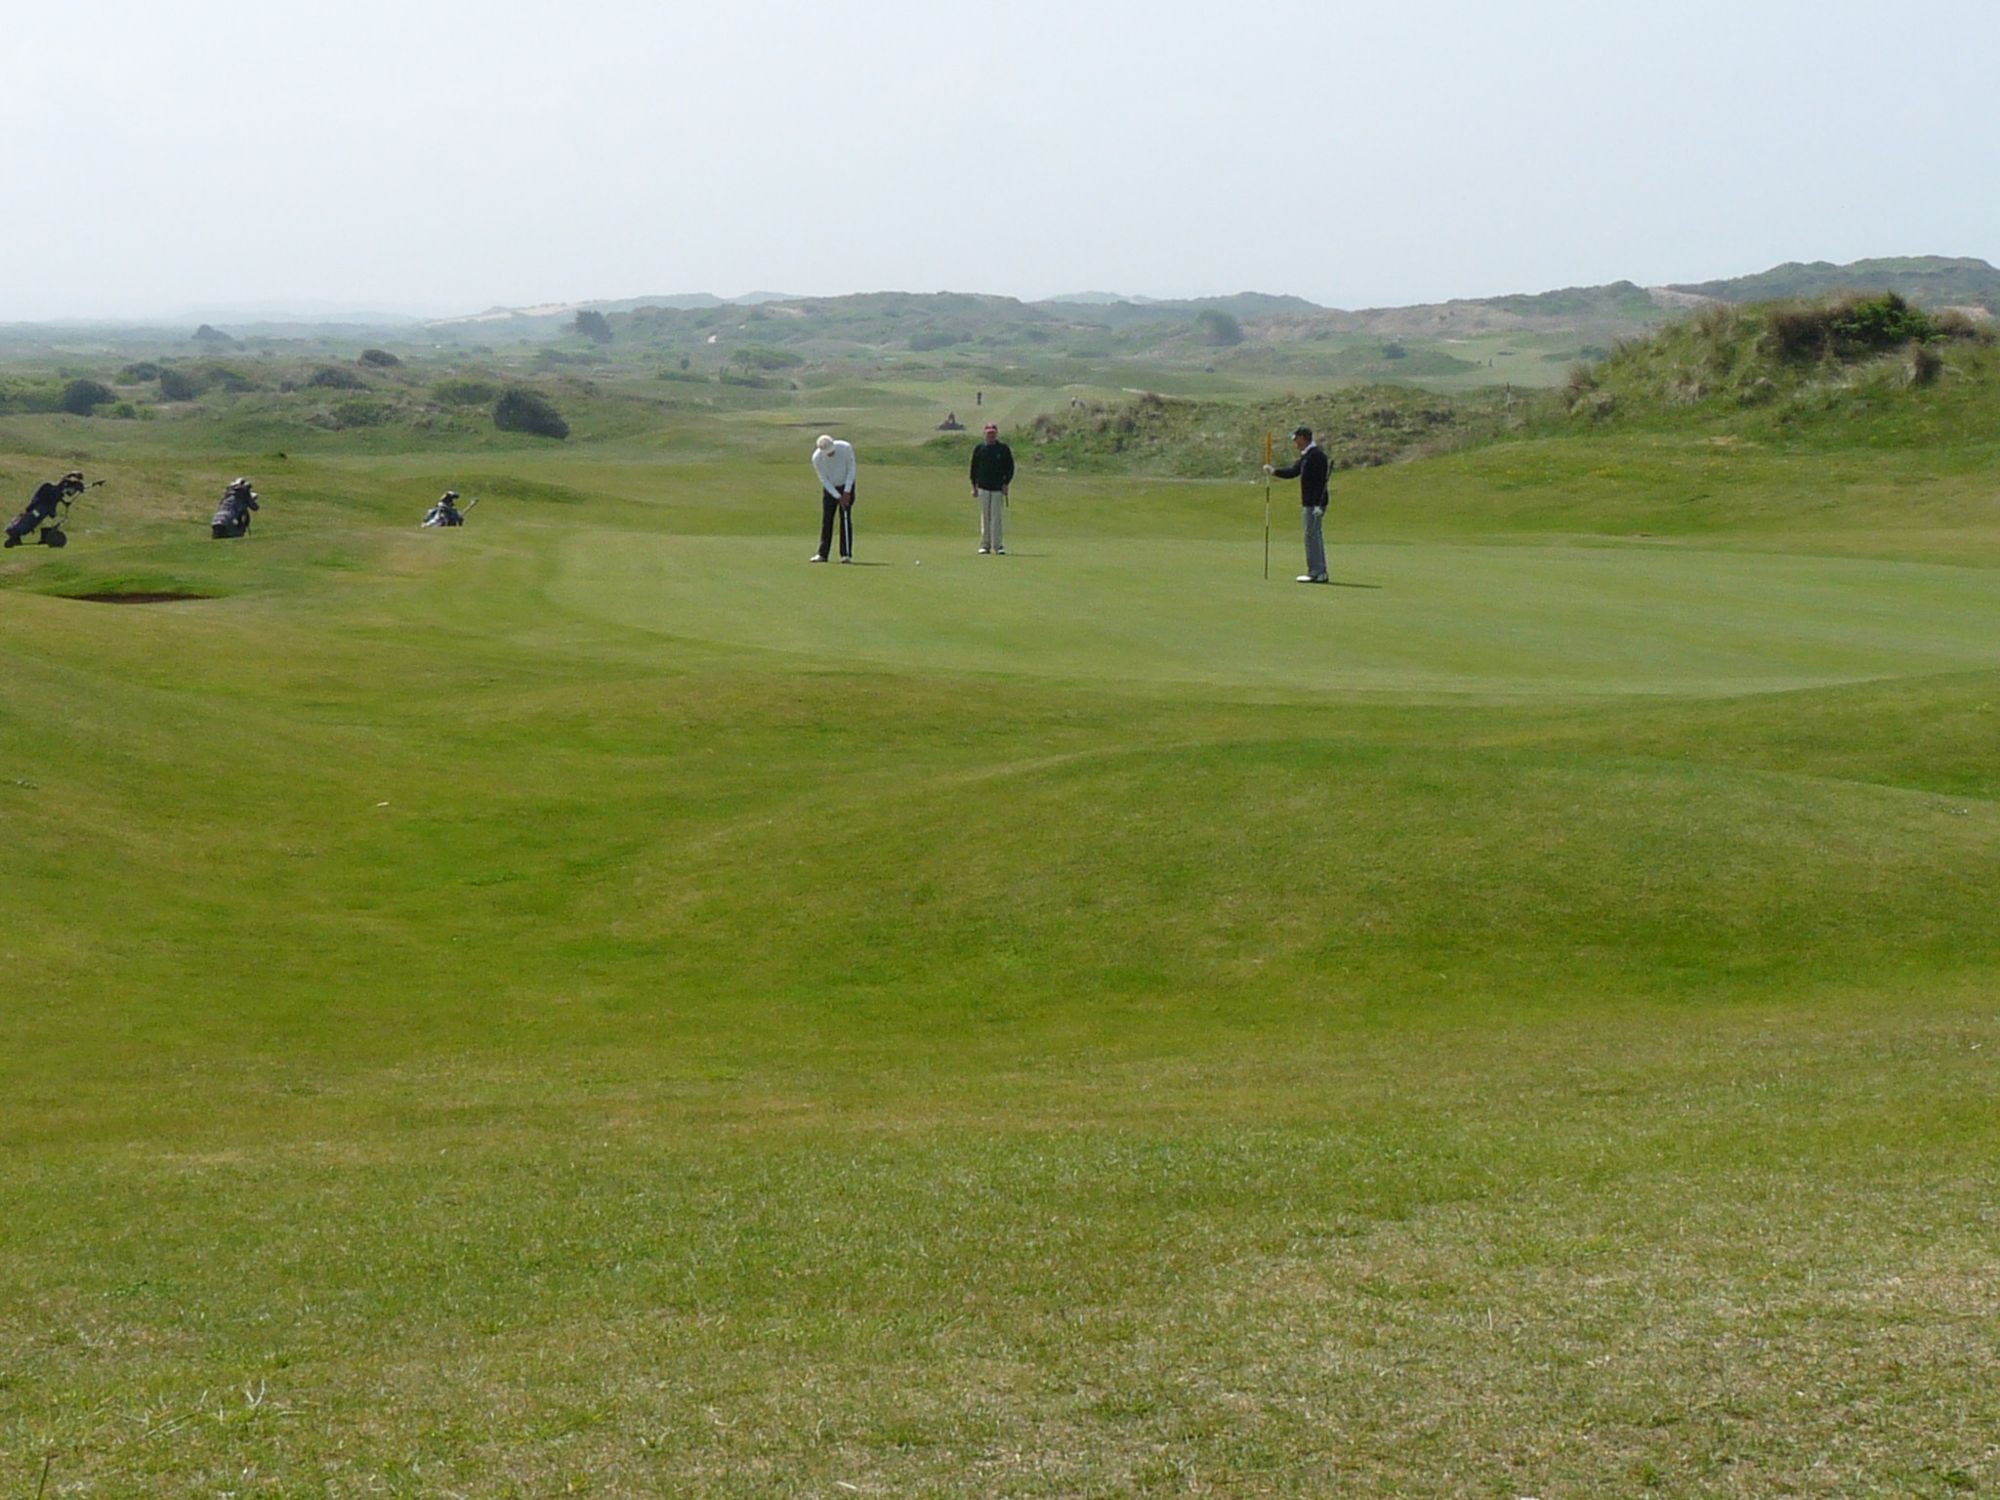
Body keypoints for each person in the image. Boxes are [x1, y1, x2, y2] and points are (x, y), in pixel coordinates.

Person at [1265, 425, 1329, 583]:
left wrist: (1319, 505)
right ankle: (1317, 571)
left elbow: (1322, 483)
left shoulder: (1317, 455)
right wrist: (1274, 471)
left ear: (1303, 438)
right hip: (1309, 503)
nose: (1295, 443)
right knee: (1311, 536)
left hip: (1315, 504)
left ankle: (1318, 572)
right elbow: (1294, 471)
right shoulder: (1306, 455)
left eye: (1297, 439)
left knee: (1313, 536)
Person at [4, 471, 86, 548]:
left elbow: (55, 500)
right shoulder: (52, 488)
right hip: (38, 509)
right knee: (29, 521)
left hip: (41, 510)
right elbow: (53, 498)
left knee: (31, 522)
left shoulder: (55, 489)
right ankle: (15, 534)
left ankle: (16, 537)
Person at [969, 421, 1014, 555]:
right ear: (985, 434)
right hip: (983, 487)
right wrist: (973, 487)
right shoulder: (979, 449)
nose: (991, 436)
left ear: (996, 434)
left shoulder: (1003, 449)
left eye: (993, 433)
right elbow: (973, 469)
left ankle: (998, 545)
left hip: (997, 488)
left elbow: (1010, 468)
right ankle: (985, 545)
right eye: (989, 433)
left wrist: (1006, 484)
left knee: (996, 517)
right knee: (985, 516)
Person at [810, 434, 856, 562]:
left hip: (847, 484)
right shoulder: (816, 458)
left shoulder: (846, 448)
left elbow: (851, 469)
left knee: (845, 519)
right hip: (830, 488)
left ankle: (846, 554)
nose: (830, 455)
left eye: (831, 452)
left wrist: (847, 491)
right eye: (828, 453)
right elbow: (823, 479)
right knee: (827, 519)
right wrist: (836, 495)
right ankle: (823, 554)